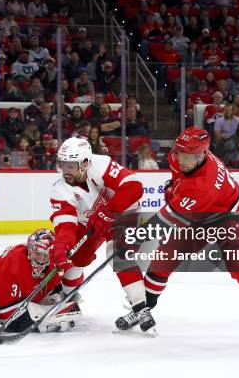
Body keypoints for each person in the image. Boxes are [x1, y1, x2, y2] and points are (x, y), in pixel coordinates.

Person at [143, 126, 239, 342]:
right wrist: (175, 189)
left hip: (229, 216)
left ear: (203, 154)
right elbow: (179, 183)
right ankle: (142, 308)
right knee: (164, 258)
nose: (181, 160)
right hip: (200, 213)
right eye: (179, 153)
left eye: (188, 156)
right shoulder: (179, 157)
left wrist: (135, 237)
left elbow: (167, 219)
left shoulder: (205, 183)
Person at [49, 137, 156, 333]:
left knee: (118, 254)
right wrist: (61, 246)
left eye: (71, 165)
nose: (65, 170)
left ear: (85, 163)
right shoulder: (60, 189)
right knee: (74, 258)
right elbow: (65, 225)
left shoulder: (102, 165)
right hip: (90, 222)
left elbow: (134, 187)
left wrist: (108, 212)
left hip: (124, 212)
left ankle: (140, 307)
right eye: (62, 164)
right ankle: (67, 297)